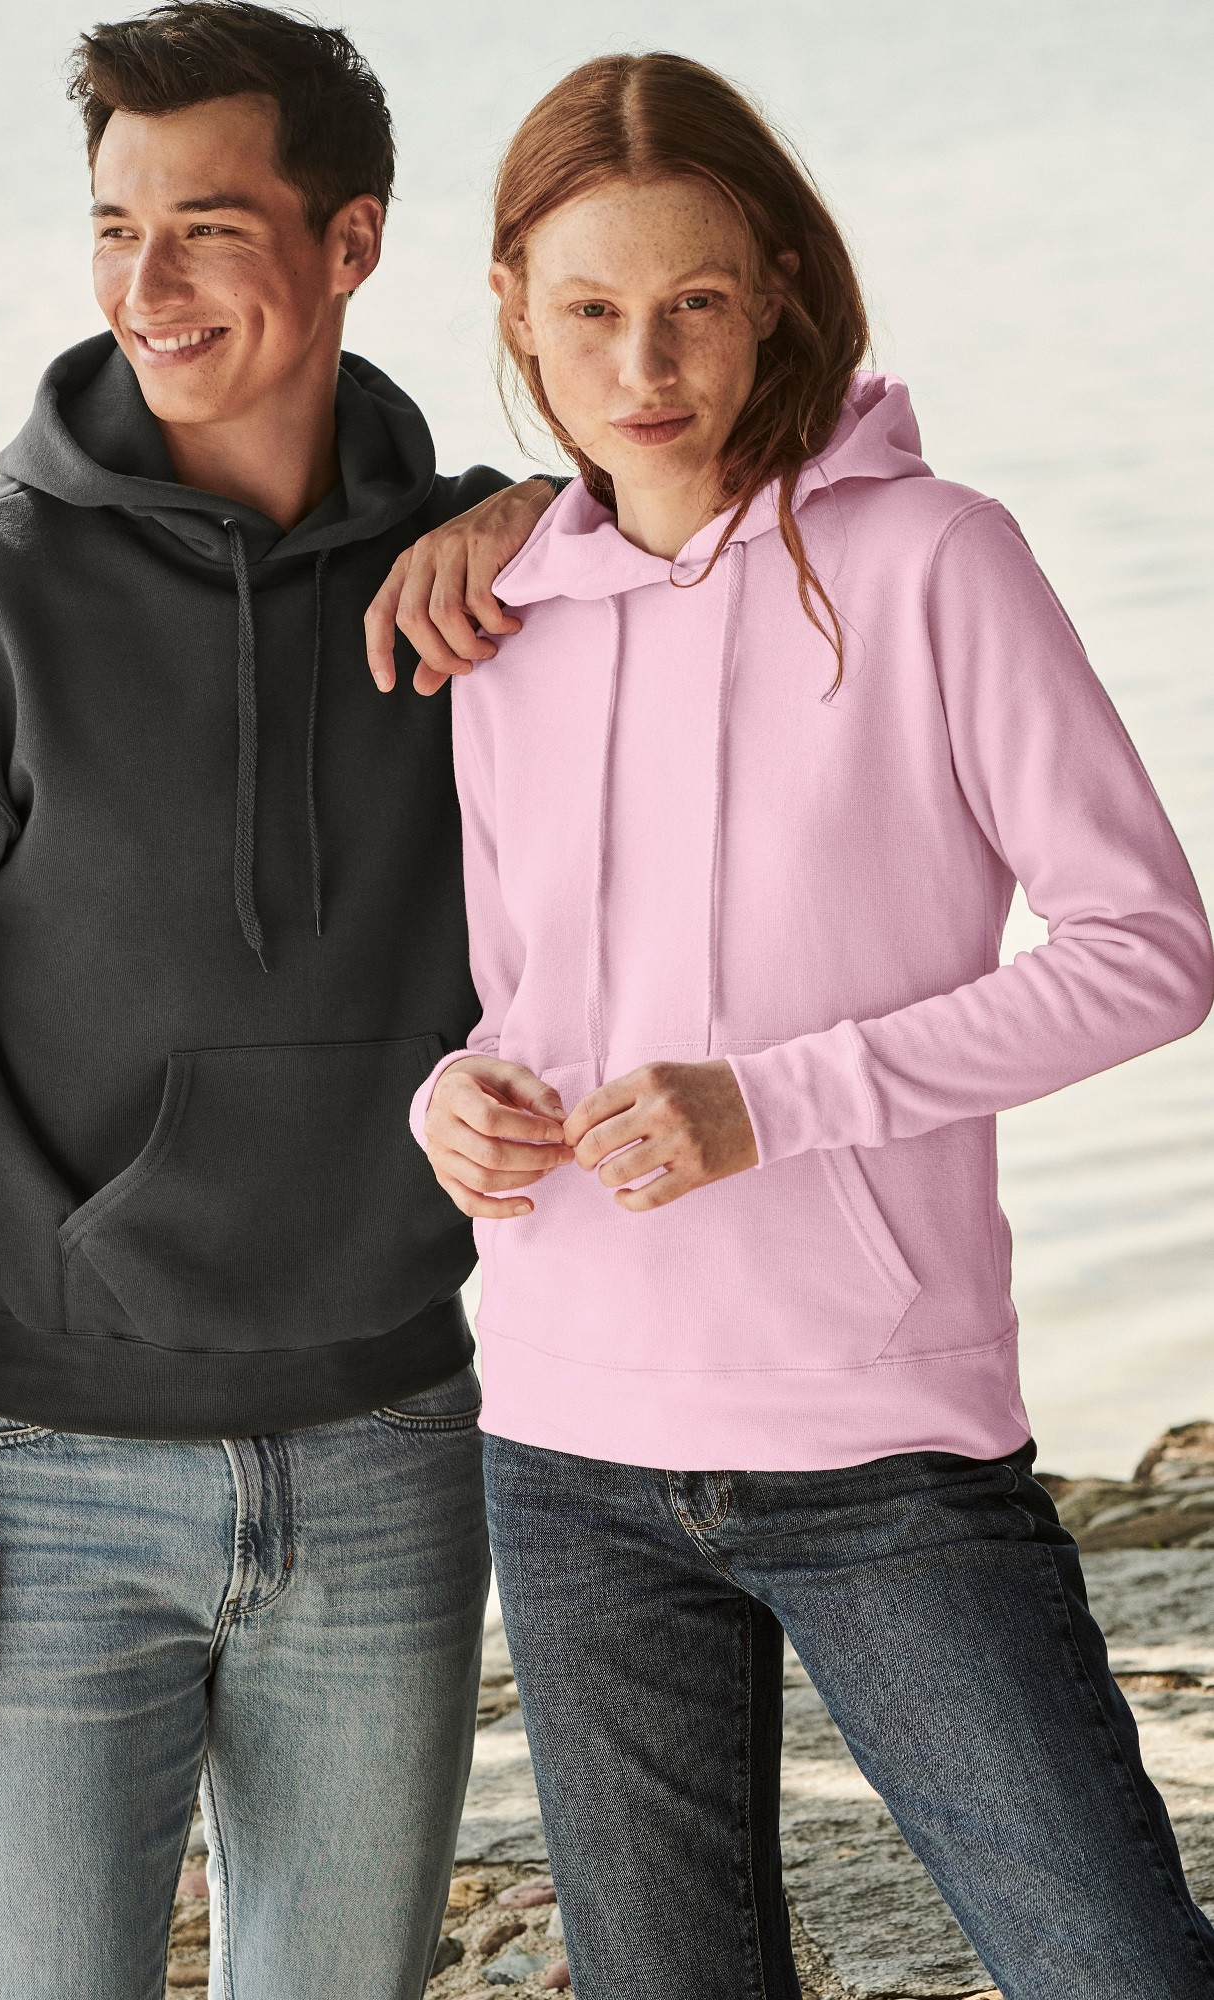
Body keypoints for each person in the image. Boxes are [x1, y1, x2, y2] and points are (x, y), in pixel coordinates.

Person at [0, 6, 558, 1997]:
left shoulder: (497, 589)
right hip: (52, 1468)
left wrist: (552, 508)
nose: (149, 284)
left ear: (350, 240)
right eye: (116, 228)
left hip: (395, 1446)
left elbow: (749, 518)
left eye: (208, 225)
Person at [412, 50, 1214, 2000]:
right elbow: (518, 994)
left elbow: (1148, 948)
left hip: (874, 1433)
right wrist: (450, 1102)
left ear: (777, 282)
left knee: (1112, 1968)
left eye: (693, 300)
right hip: (564, 1434)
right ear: (512, 308)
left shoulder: (933, 560)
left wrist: (778, 1101)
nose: (643, 364)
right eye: (589, 312)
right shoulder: (503, 621)